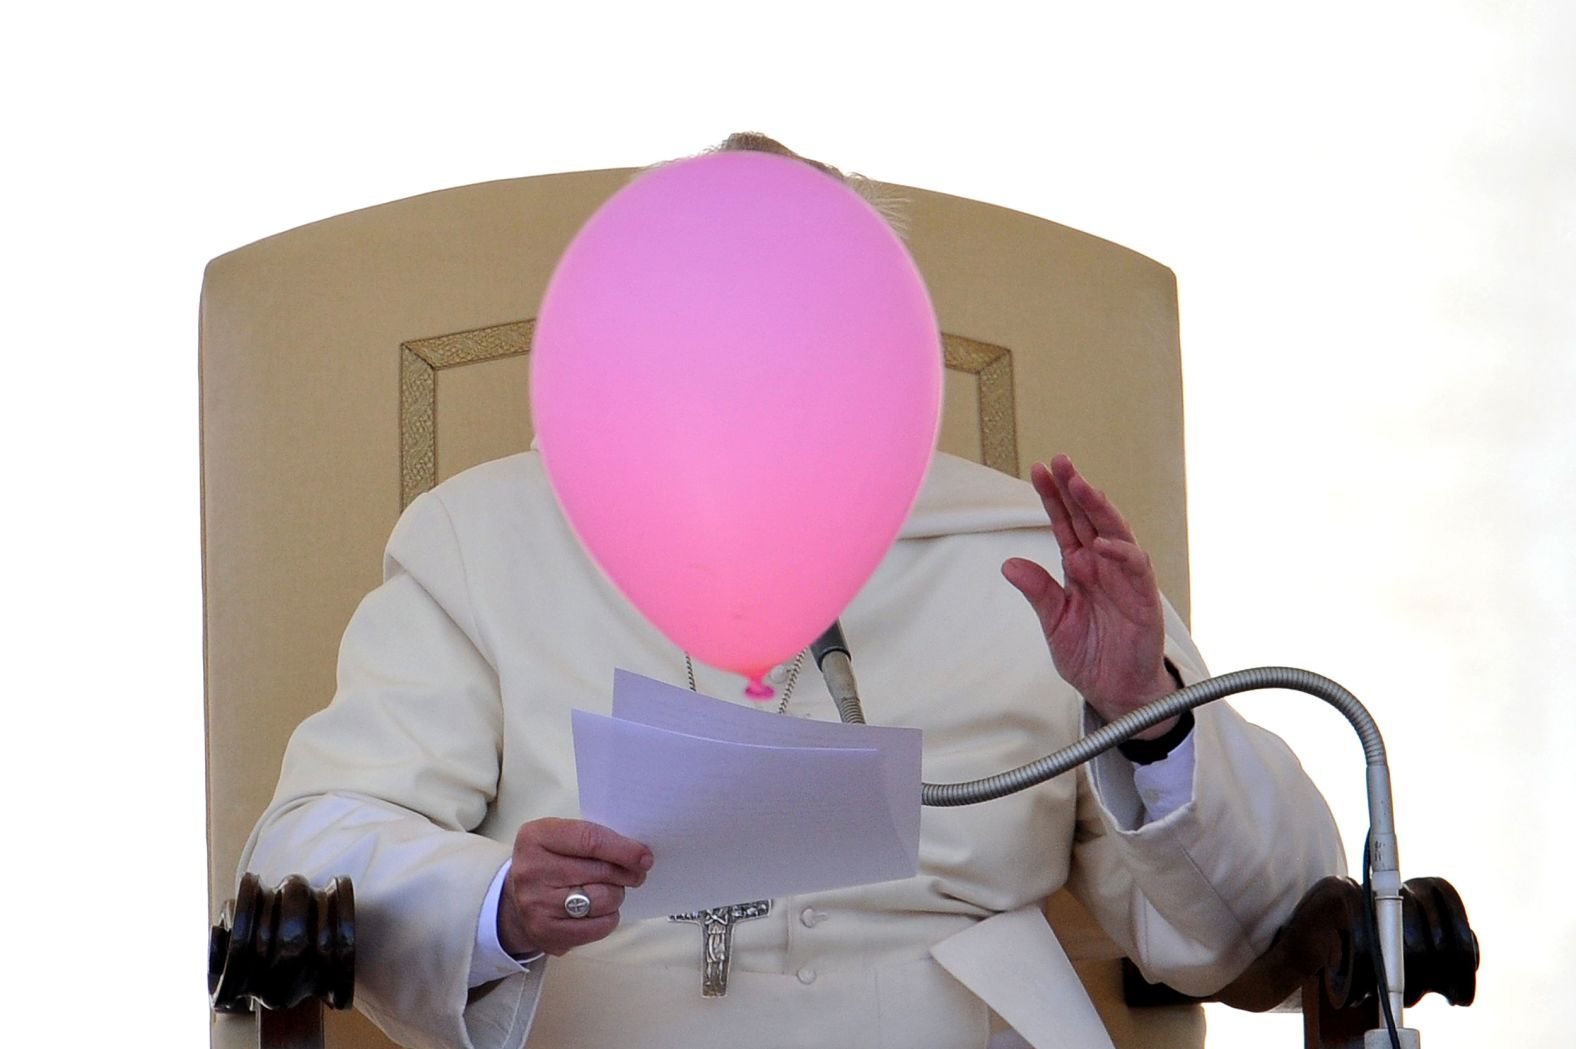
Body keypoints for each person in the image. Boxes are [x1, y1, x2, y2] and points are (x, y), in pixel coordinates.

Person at [241, 135, 1345, 1049]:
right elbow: (307, 849)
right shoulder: (481, 540)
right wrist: (495, 902)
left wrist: (1145, 717)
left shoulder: (1031, 553)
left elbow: (1258, 926)